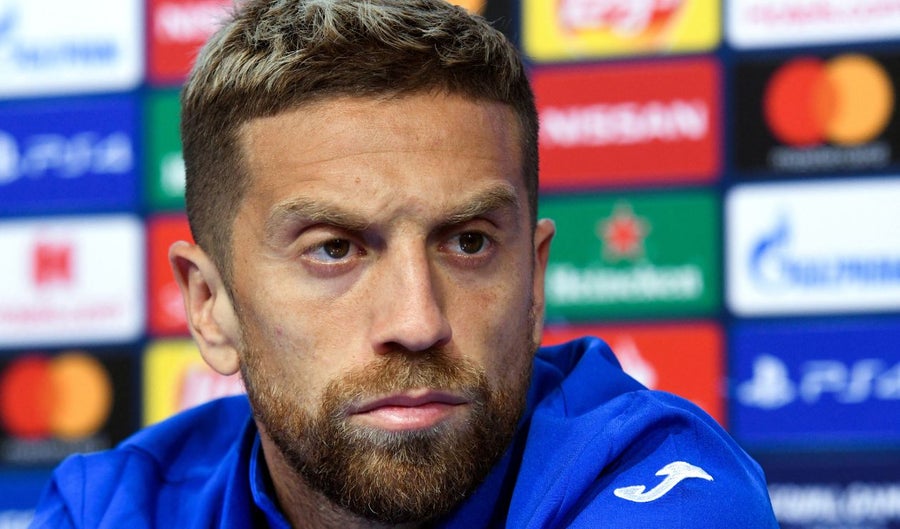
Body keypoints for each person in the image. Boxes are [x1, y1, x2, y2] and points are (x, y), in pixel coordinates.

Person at [30, 0, 779, 527]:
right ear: (208, 305)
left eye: (469, 242)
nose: (418, 321)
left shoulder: (659, 479)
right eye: (333, 249)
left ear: (535, 281)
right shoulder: (116, 508)